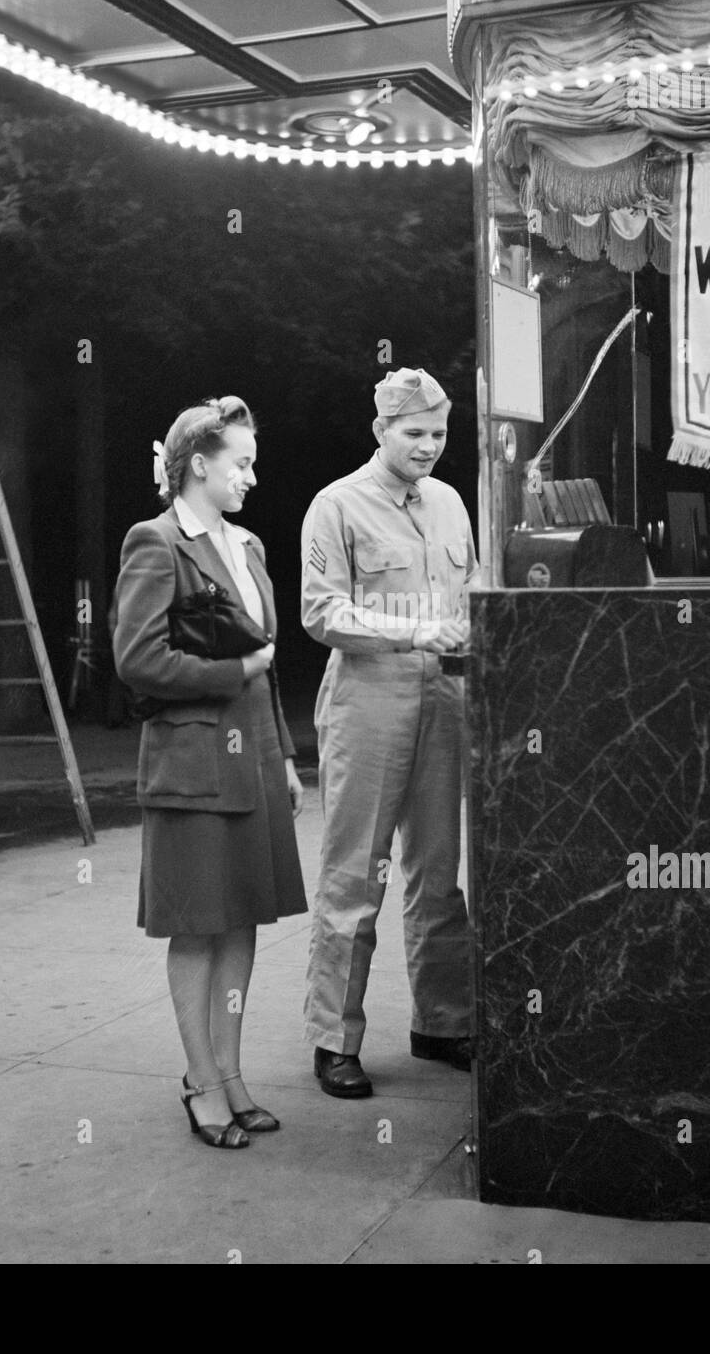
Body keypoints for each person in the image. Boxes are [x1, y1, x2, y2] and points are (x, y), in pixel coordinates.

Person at [112, 397, 306, 1150]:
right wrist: (232, 670)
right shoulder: (154, 542)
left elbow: (268, 665)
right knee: (198, 927)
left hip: (251, 755)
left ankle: (231, 1075)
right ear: (198, 465)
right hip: (189, 764)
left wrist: (284, 755)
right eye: (242, 464)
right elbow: (139, 660)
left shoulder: (248, 546)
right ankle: (200, 1083)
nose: (252, 478)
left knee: (243, 918)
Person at [300, 367, 476, 1099]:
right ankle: (333, 1039)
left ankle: (442, 1021)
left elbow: (470, 598)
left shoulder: (451, 503)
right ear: (381, 432)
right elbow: (320, 613)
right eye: (414, 433)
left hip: (446, 701)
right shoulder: (336, 505)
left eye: (438, 433)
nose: (429, 445)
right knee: (355, 874)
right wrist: (415, 632)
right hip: (368, 703)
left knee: (439, 874)